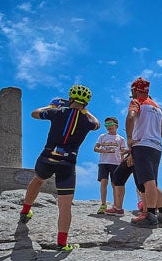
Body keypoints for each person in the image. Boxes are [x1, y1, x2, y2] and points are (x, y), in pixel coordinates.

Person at [18, 85, 100, 251]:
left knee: (38, 180)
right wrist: (85, 110)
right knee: (65, 204)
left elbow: (34, 113)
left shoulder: (57, 112)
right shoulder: (87, 121)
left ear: (70, 99)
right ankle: (62, 243)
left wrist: (52, 105)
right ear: (86, 104)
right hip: (67, 163)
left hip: (47, 157)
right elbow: (97, 124)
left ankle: (25, 211)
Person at [126, 78, 162, 228]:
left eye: (132, 91)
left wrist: (130, 138)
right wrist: (152, 131)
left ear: (135, 90)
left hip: (142, 145)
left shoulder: (137, 101)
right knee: (153, 181)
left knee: (147, 181)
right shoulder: (158, 107)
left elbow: (131, 117)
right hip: (156, 147)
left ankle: (150, 216)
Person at [93, 117, 127, 214]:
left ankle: (116, 205)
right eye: (106, 125)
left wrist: (123, 161)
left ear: (116, 125)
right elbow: (95, 148)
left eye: (110, 124)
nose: (109, 126)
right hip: (103, 162)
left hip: (116, 163)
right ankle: (103, 204)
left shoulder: (120, 139)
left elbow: (122, 151)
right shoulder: (102, 136)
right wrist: (105, 150)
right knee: (103, 182)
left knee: (115, 184)